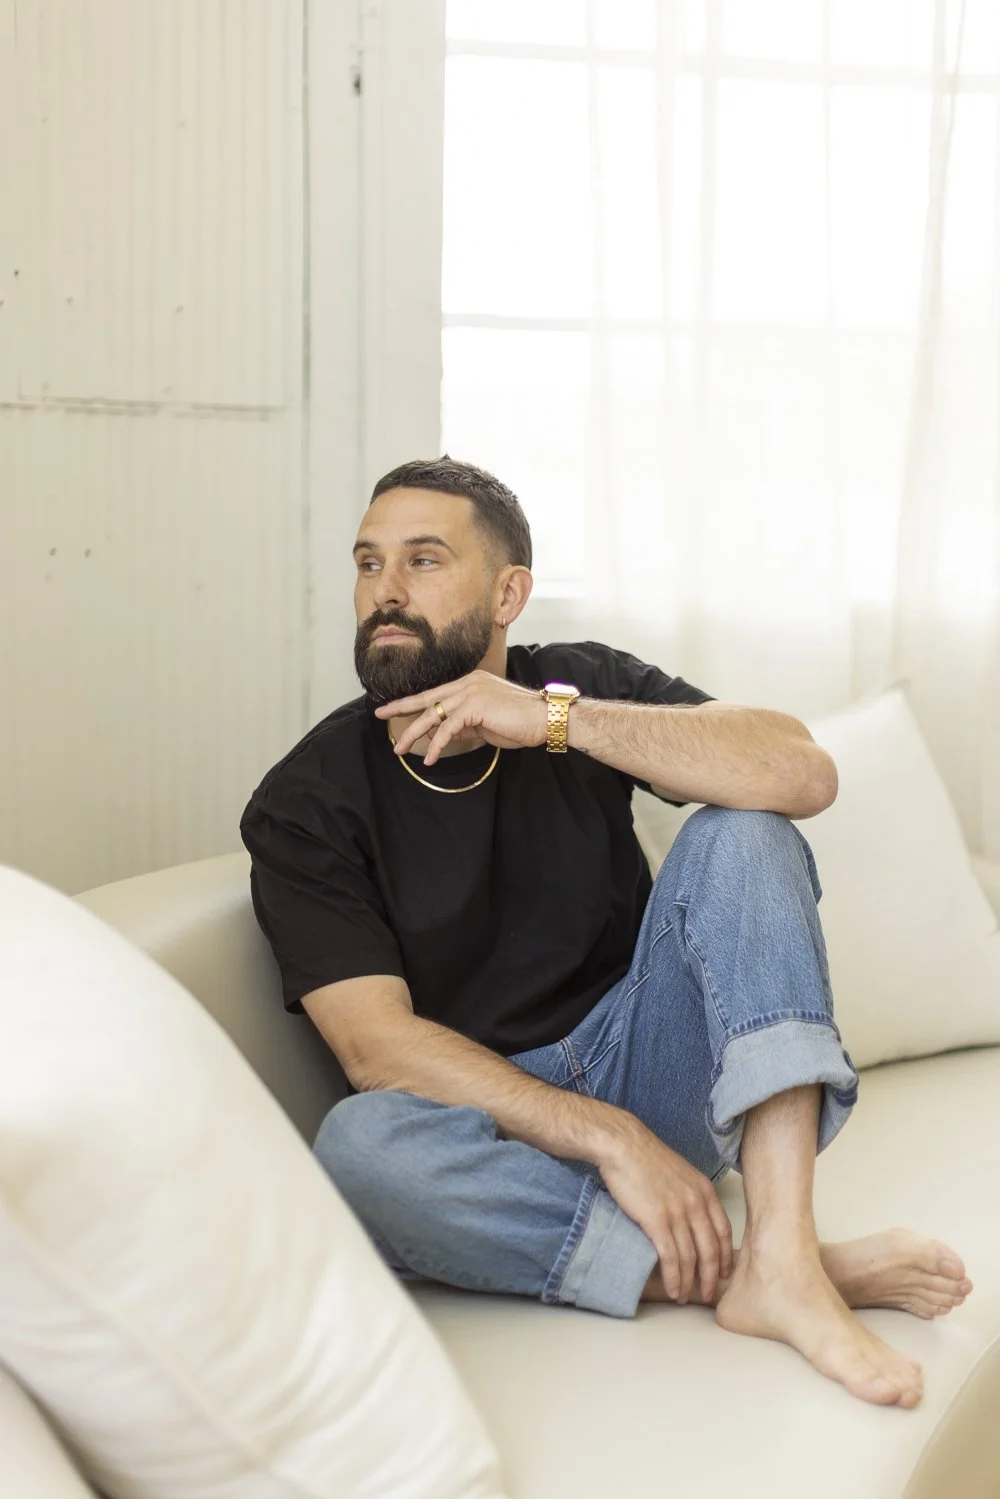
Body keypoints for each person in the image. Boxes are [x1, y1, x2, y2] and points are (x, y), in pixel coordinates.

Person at [240, 456, 971, 1412]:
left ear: (509, 594)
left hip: (650, 1061)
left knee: (744, 826)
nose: (385, 591)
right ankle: (755, 1272)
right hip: (495, 1131)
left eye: (423, 561)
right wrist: (612, 1138)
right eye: (369, 563)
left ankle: (786, 1247)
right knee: (359, 1147)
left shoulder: (575, 684)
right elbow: (377, 1049)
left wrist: (553, 720)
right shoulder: (306, 800)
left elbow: (801, 772)